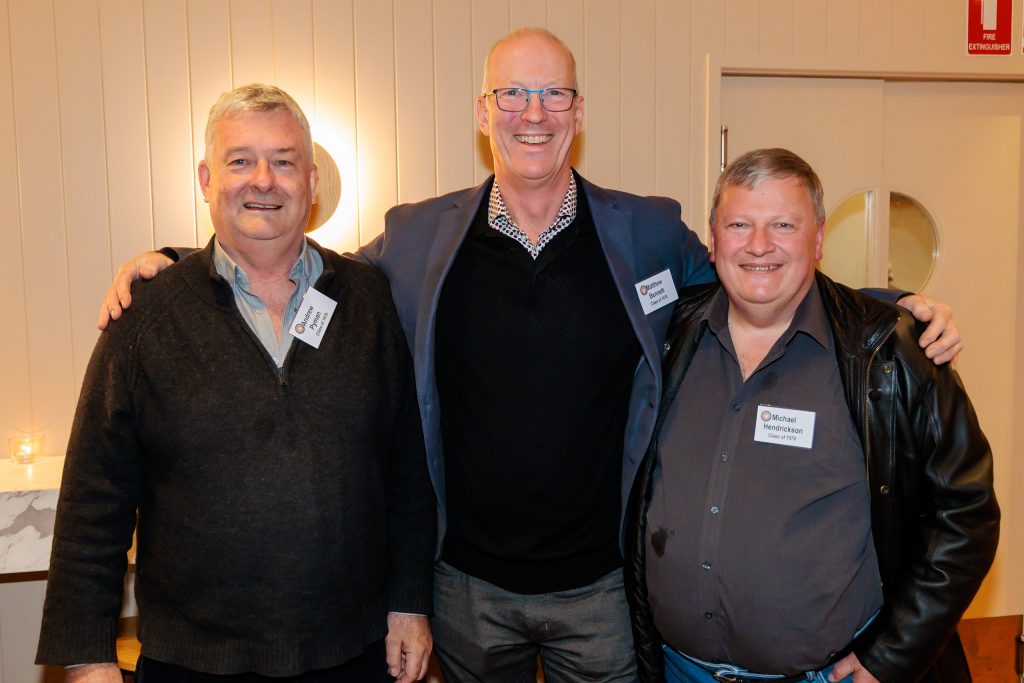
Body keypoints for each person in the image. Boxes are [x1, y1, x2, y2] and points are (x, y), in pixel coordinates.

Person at [96, 31, 963, 683]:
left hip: (604, 590)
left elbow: (761, 272)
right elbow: (297, 274)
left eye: (553, 96)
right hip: (466, 588)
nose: (533, 114)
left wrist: (889, 310)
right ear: (483, 115)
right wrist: (176, 265)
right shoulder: (416, 236)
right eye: (512, 95)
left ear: (579, 115)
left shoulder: (649, 231)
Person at [36, 84, 436, 683]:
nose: (264, 180)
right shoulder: (146, 317)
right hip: (193, 664)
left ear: (312, 181)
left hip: (352, 655)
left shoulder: (366, 301)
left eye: (283, 161)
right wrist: (89, 657)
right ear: (205, 179)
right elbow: (94, 499)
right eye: (240, 160)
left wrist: (409, 601)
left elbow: (407, 472)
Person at [625, 148, 999, 683]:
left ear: (818, 238)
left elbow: (967, 514)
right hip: (678, 669)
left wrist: (890, 656)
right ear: (712, 238)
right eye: (739, 224)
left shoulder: (889, 353)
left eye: (783, 225)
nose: (758, 245)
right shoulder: (671, 336)